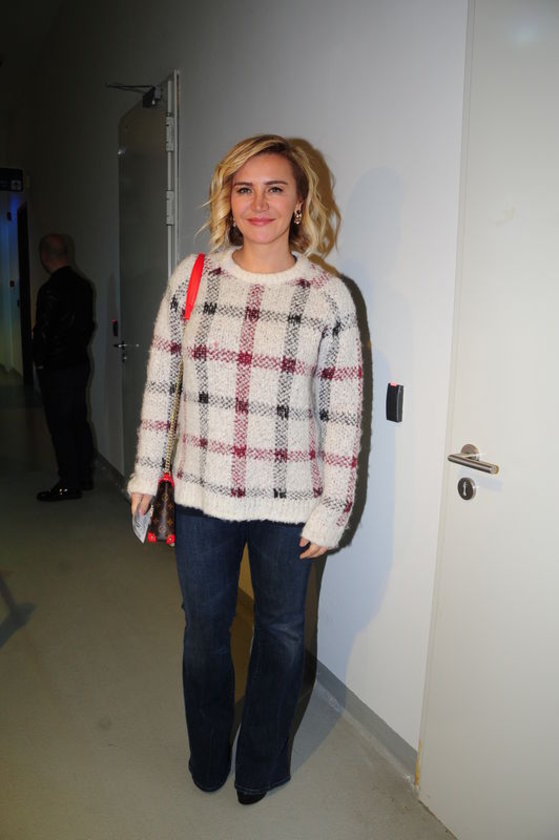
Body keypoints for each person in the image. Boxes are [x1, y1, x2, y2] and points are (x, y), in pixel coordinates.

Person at [129, 135, 363, 804]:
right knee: (204, 633)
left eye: (275, 188)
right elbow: (162, 381)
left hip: (290, 503)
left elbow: (343, 412)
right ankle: (209, 754)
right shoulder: (194, 278)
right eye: (244, 189)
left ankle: (259, 764)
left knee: (281, 638)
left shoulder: (328, 296)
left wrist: (333, 507)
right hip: (201, 495)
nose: (259, 203)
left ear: (300, 202)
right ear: (227, 201)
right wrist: (146, 473)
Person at [33, 234, 95, 501]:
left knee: (60, 426)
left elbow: (43, 333)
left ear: (44, 256)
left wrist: (40, 361)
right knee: (78, 420)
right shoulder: (84, 286)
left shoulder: (49, 291)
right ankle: (84, 476)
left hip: (56, 369)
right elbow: (88, 325)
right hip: (79, 363)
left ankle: (69, 483)